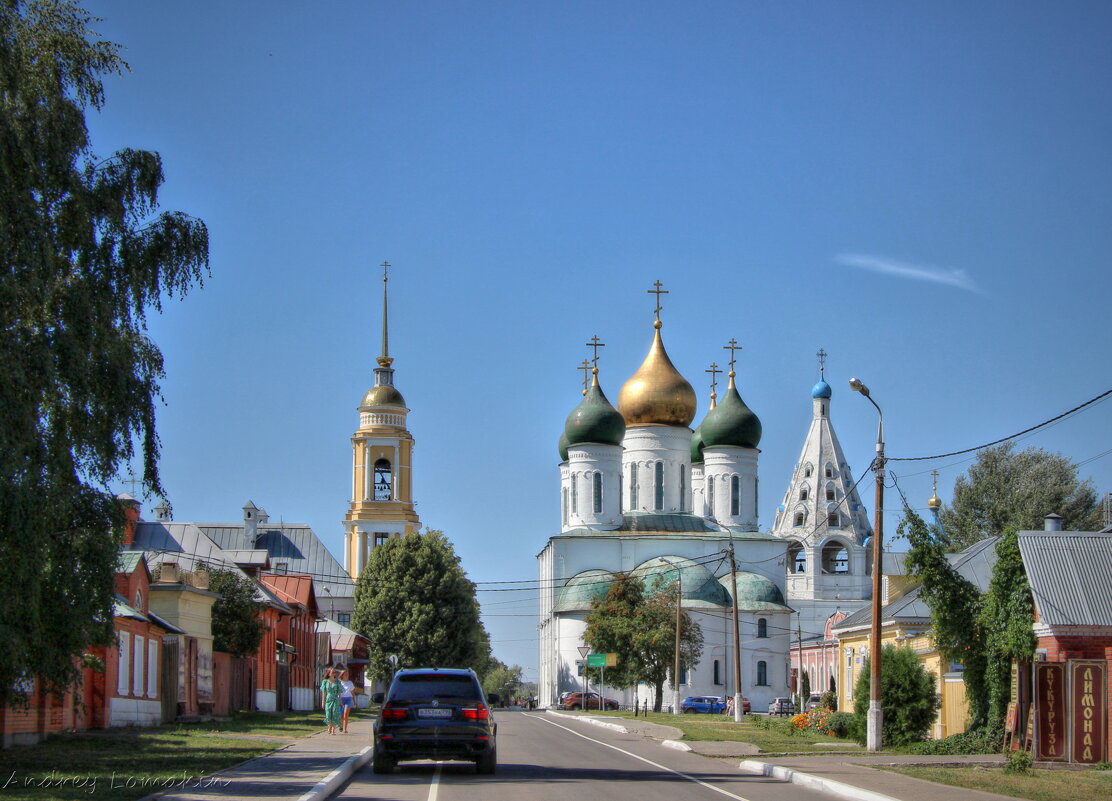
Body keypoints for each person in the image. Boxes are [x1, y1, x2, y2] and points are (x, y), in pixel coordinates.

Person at [320, 667, 343, 734]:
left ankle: (333, 729)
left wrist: (341, 701)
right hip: (328, 699)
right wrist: (323, 702)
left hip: (335, 699)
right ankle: (329, 726)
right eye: (333, 672)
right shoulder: (325, 682)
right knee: (328, 714)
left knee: (334, 714)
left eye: (335, 672)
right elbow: (324, 693)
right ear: (329, 673)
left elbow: (339, 692)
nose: (334, 673)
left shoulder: (337, 682)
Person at [339, 668, 355, 733]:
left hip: (348, 698)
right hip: (341, 699)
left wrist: (355, 702)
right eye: (345, 674)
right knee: (341, 715)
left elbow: (353, 693)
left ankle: (345, 729)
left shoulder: (350, 683)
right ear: (342, 675)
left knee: (346, 714)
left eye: (347, 674)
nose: (346, 676)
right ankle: (341, 726)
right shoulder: (340, 683)